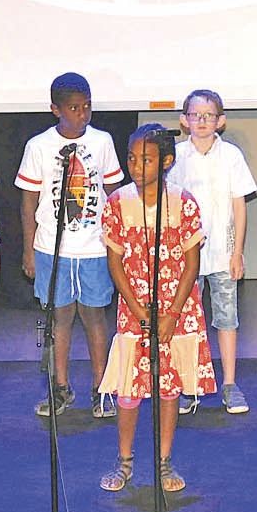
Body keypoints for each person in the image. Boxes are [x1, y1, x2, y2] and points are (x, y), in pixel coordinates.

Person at [97, 125, 215, 493]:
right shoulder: (117, 203)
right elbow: (115, 263)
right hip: (135, 307)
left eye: (145, 159)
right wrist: (137, 309)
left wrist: (172, 314)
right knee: (129, 390)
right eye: (131, 158)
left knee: (169, 387)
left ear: (165, 161)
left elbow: (191, 264)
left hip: (175, 310)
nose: (136, 166)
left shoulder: (183, 202)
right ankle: (125, 460)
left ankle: (164, 461)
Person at [17, 72, 124, 418]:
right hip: (52, 247)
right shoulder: (39, 146)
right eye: (74, 108)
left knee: (94, 317)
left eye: (87, 107)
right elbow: (29, 202)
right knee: (59, 318)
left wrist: (119, 241)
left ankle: (101, 387)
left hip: (94, 248)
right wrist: (28, 248)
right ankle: (60, 387)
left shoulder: (103, 142)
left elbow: (114, 194)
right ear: (55, 110)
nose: (82, 114)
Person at [172, 88, 257, 414]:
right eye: (195, 115)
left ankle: (230, 384)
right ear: (184, 120)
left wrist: (237, 252)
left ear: (220, 121)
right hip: (186, 257)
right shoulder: (177, 156)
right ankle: (187, 384)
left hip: (222, 252)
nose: (202, 121)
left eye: (209, 116)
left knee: (226, 319)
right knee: (186, 321)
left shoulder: (231, 156)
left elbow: (240, 206)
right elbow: (171, 203)